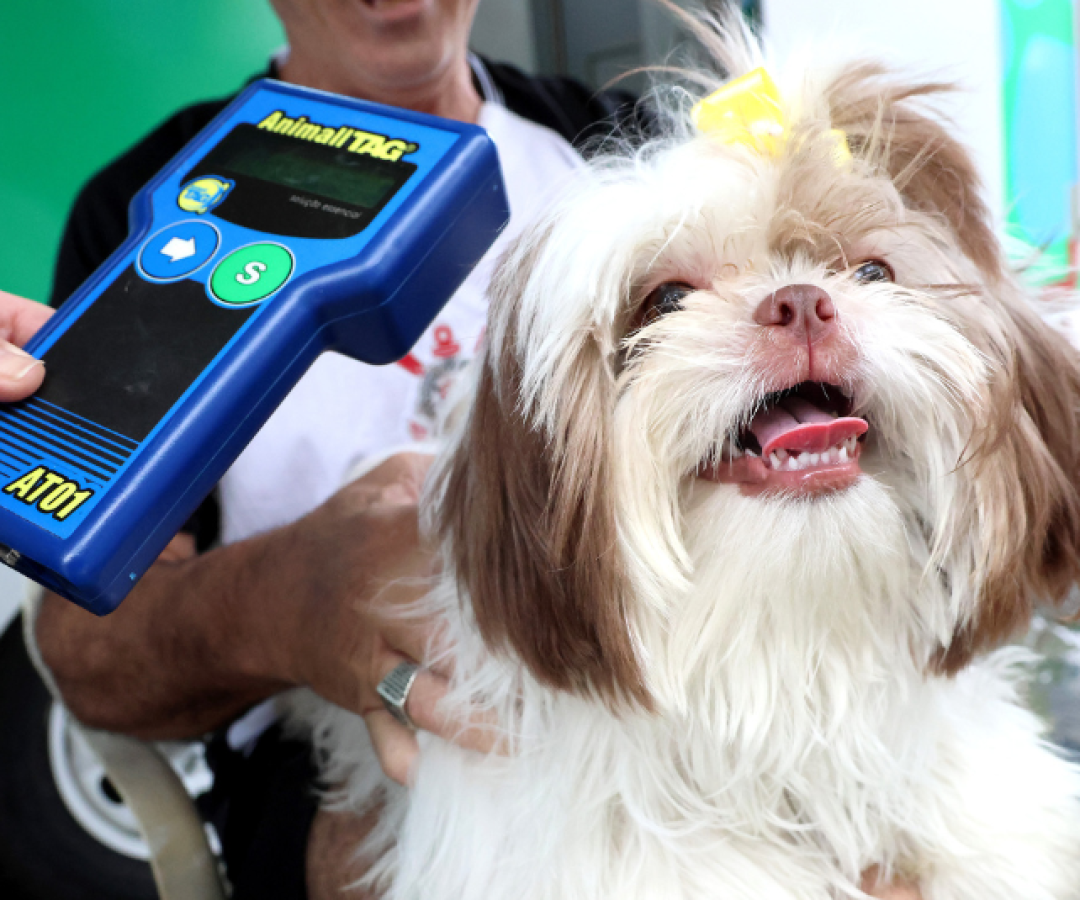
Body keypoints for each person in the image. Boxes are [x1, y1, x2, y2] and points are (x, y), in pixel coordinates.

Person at [19, 1, 923, 896]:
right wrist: (287, 600)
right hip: (347, 742)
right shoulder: (155, 198)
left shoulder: (614, 138)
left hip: (722, 680)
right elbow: (89, 660)